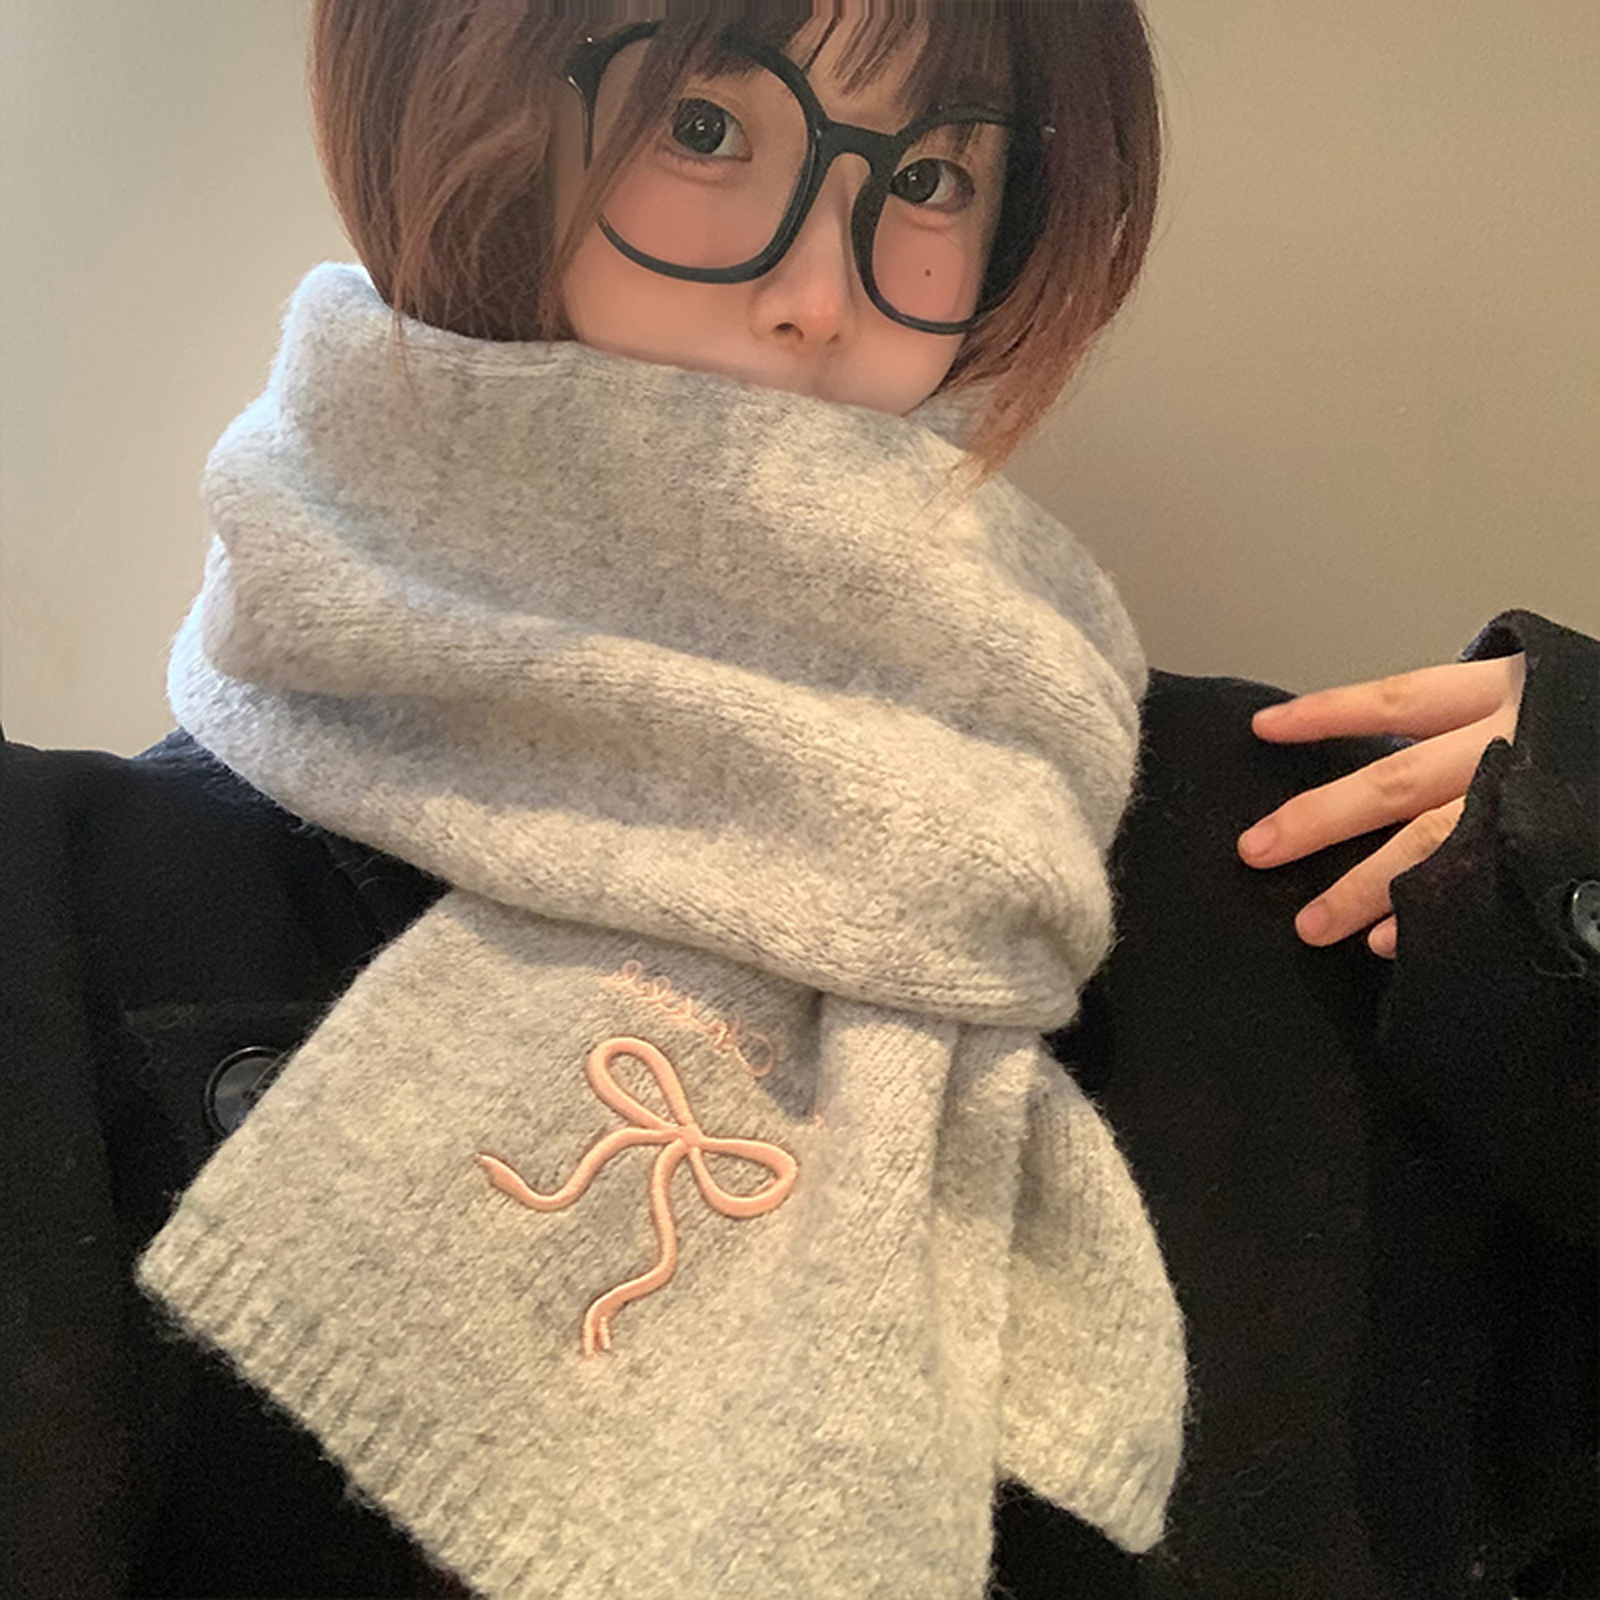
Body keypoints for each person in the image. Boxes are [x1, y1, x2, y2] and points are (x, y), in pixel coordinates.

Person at [2, 5, 1594, 1599]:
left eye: (933, 173)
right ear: (459, 127)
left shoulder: (1306, 840)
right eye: (703, 126)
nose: (822, 296)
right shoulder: (86, 917)